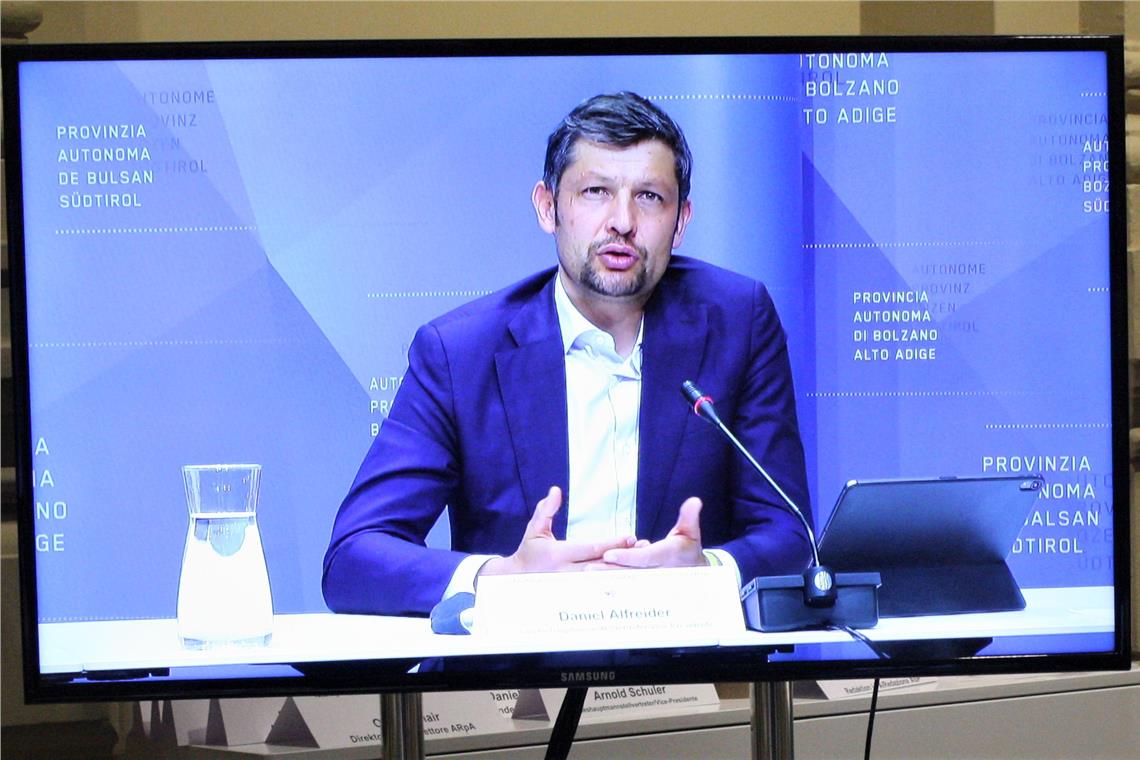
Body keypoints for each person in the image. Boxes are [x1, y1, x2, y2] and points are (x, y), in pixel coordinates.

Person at [323, 92, 813, 617]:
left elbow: (790, 533)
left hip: (687, 654)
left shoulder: (739, 322)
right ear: (547, 206)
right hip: (517, 662)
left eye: (650, 197)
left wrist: (707, 571)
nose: (622, 221)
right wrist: (501, 578)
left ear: (682, 220)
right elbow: (354, 557)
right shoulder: (460, 352)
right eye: (595, 192)